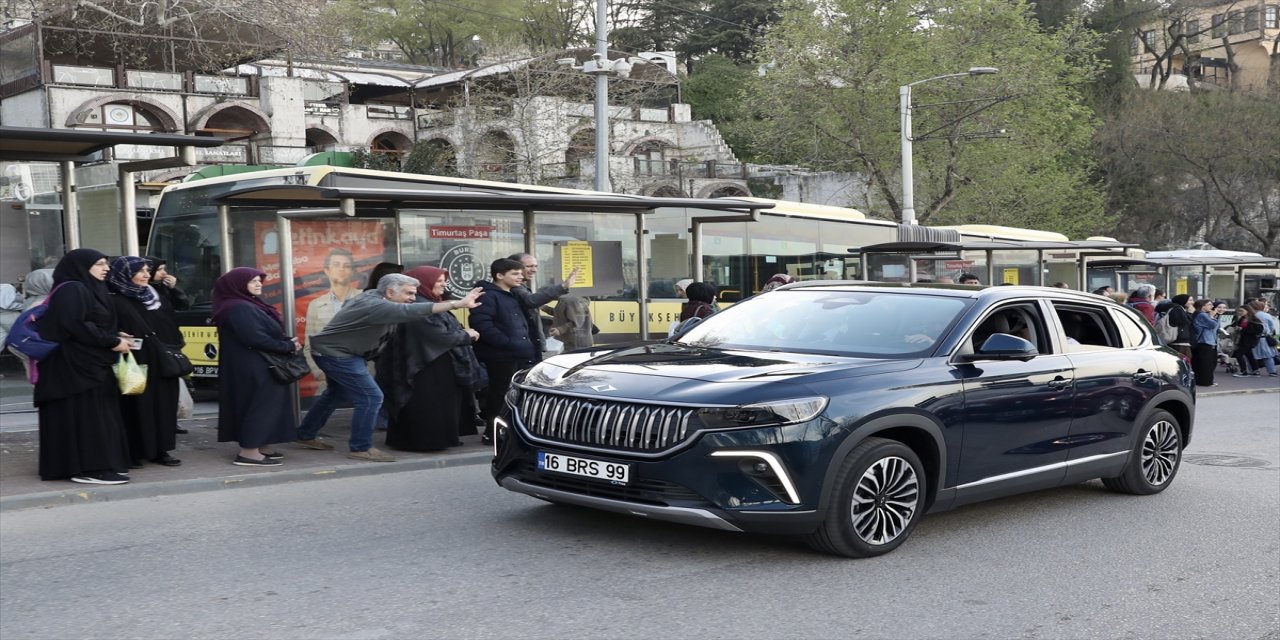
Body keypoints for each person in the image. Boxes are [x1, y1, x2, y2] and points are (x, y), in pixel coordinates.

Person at [295, 273, 484, 461]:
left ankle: (305, 435)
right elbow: (415, 312)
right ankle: (361, 448)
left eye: (414, 293)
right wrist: (457, 304)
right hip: (337, 355)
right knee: (371, 397)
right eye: (408, 294)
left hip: (337, 352)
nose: (412, 298)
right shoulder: (377, 305)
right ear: (390, 291)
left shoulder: (374, 297)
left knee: (336, 394)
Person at [34, 249, 133, 485]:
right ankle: (92, 468)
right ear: (80, 266)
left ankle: (82, 465)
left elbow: (89, 320)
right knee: (89, 417)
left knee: (87, 416)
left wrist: (114, 334)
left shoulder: (85, 288)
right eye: (99, 264)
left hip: (83, 365)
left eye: (106, 263)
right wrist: (112, 341)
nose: (106, 268)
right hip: (75, 368)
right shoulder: (73, 289)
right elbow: (75, 325)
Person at [376, 266, 484, 452]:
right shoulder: (418, 306)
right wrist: (466, 334)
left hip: (431, 362)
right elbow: (439, 336)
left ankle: (436, 439)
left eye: (444, 281)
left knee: (438, 405)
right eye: (439, 281)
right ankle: (425, 442)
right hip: (423, 366)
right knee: (428, 405)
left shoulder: (429, 302)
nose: (443, 285)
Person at [212, 268, 298, 466]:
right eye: (253, 281)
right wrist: (287, 346)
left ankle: (260, 444)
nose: (259, 284)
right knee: (260, 406)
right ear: (238, 284)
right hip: (253, 366)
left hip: (257, 363)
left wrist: (286, 343)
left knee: (267, 405)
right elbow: (255, 338)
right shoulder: (239, 307)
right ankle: (249, 451)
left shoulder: (247, 304)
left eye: (259, 280)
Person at [106, 256, 181, 468]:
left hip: (161, 358)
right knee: (136, 405)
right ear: (125, 274)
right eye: (140, 271)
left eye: (148, 271)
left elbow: (173, 318)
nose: (146, 275)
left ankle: (161, 449)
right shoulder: (114, 297)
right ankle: (135, 450)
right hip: (133, 359)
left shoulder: (155, 294)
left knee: (164, 404)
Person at [304, 248, 363, 387]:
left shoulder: (365, 298)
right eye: (336, 265)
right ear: (327, 270)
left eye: (346, 265)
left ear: (353, 271)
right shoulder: (316, 305)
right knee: (327, 405)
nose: (341, 269)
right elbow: (309, 346)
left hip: (361, 373)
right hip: (329, 375)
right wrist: (318, 371)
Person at [507, 253, 578, 362]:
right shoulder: (515, 288)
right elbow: (531, 301)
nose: (534, 270)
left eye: (536, 266)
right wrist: (563, 286)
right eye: (529, 266)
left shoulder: (521, 287)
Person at [1189, 298, 1219, 387]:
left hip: (1202, 341)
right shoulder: (1202, 315)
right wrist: (1212, 316)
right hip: (1205, 341)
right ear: (1203, 306)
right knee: (1207, 363)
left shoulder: (1198, 314)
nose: (1212, 306)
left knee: (1200, 362)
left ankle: (1200, 380)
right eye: (1209, 305)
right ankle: (1206, 381)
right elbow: (1213, 325)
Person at [1248, 300, 1278, 376]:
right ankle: (1272, 371)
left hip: (1253, 338)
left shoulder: (1251, 315)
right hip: (1265, 337)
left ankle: (1253, 370)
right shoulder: (1267, 315)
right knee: (1268, 356)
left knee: (1250, 355)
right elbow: (1271, 327)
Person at [1162, 294, 1194, 359]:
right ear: (1183, 300)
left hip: (1180, 340)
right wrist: (1190, 313)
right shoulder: (1177, 309)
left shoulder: (1179, 309)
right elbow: (1183, 322)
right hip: (1179, 341)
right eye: (1190, 300)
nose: (1192, 302)